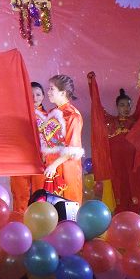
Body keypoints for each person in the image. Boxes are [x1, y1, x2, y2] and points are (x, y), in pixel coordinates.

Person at [89, 69, 140, 214]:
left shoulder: (136, 121)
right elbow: (97, 106)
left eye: (128, 105)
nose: (126, 108)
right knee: (118, 193)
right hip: (115, 165)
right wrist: (92, 84)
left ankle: (134, 221)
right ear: (117, 106)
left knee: (134, 193)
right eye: (122, 105)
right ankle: (117, 222)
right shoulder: (109, 122)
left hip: (133, 165)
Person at [44, 75, 84, 203]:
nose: (48, 92)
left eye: (52, 89)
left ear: (63, 92)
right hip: (52, 168)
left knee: (66, 207)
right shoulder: (52, 113)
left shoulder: (72, 115)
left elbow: (72, 149)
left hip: (66, 169)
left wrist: (54, 165)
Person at [11, 82, 49, 213]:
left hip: (40, 160)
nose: (34, 98)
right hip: (20, 160)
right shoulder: (17, 115)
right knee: (20, 195)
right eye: (31, 94)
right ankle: (19, 222)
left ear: (43, 96)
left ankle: (41, 221)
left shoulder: (49, 117)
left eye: (38, 94)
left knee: (40, 195)